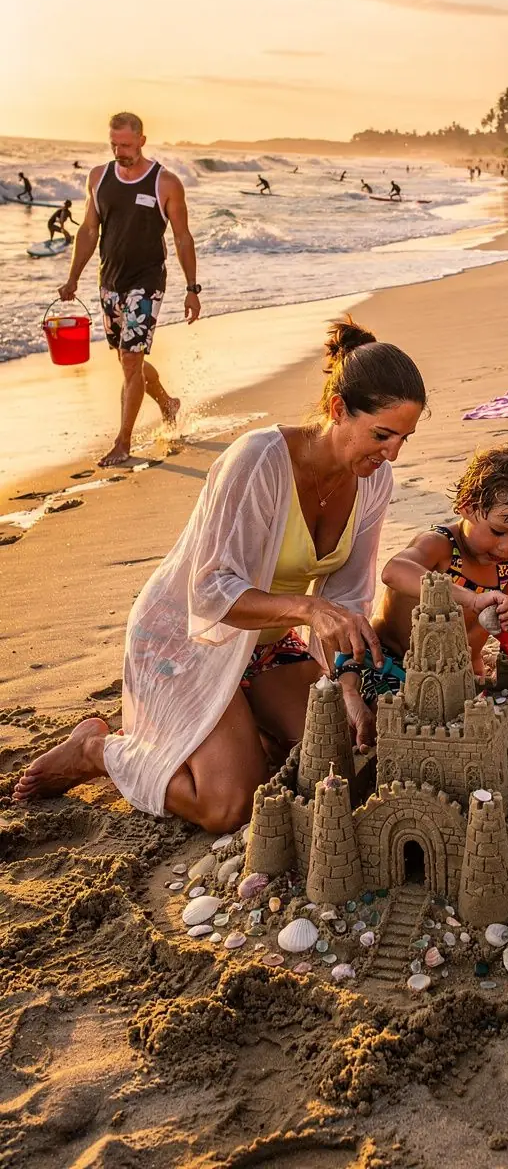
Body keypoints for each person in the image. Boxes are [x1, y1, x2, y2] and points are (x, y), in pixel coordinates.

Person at [13, 318, 426, 828]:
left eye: (404, 438)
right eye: (382, 435)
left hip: (267, 645)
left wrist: (346, 688)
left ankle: (240, 728)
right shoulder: (258, 460)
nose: (392, 454)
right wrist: (307, 607)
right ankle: (97, 751)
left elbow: (350, 598)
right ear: (339, 409)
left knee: (333, 756)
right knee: (228, 806)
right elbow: (208, 592)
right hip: (186, 639)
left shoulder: (372, 481)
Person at [335, 446, 508, 746]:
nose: (507, 548)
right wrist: (470, 599)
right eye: (497, 531)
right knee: (390, 722)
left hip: (460, 675)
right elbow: (394, 570)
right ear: (466, 506)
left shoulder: (506, 565)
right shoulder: (441, 546)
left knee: (490, 730)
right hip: (394, 664)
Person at [56, 111, 200, 468]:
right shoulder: (99, 177)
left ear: (141, 141)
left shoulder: (165, 182)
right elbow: (89, 231)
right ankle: (168, 404)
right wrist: (73, 277)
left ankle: (123, 442)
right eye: (114, 144)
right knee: (127, 361)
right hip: (110, 282)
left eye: (126, 144)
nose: (119, 150)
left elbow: (182, 238)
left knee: (132, 360)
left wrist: (191, 288)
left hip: (147, 282)